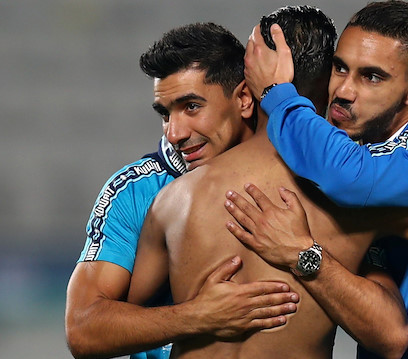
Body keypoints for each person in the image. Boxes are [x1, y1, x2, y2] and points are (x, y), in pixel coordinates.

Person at [129, 5, 408, 359]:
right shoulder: (343, 190)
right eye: (341, 69)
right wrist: (197, 315)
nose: (345, 90)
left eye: (372, 77)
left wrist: (303, 252)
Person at [65, 23, 302, 359]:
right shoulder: (135, 191)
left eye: (191, 106)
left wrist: (309, 256)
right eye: (165, 113)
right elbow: (82, 329)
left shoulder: (303, 179)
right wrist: (199, 316)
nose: (174, 133)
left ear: (244, 99)